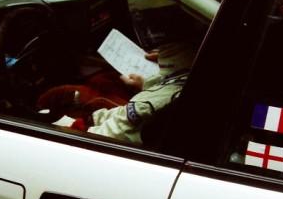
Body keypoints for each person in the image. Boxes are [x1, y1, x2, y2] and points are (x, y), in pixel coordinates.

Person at [43, 40, 196, 144]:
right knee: (102, 81)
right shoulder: (191, 69)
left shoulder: (148, 105)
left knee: (58, 95)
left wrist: (68, 126)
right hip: (145, 122)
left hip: (126, 141)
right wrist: (93, 119)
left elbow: (105, 135)